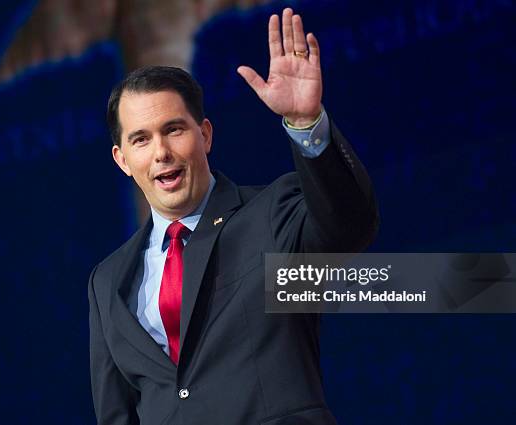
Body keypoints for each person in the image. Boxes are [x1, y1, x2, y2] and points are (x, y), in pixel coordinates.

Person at [88, 8, 378, 425]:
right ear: (123, 160)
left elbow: (350, 226)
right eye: (141, 139)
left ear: (204, 135)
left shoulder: (271, 214)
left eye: (174, 129)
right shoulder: (107, 281)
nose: (161, 152)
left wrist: (305, 123)